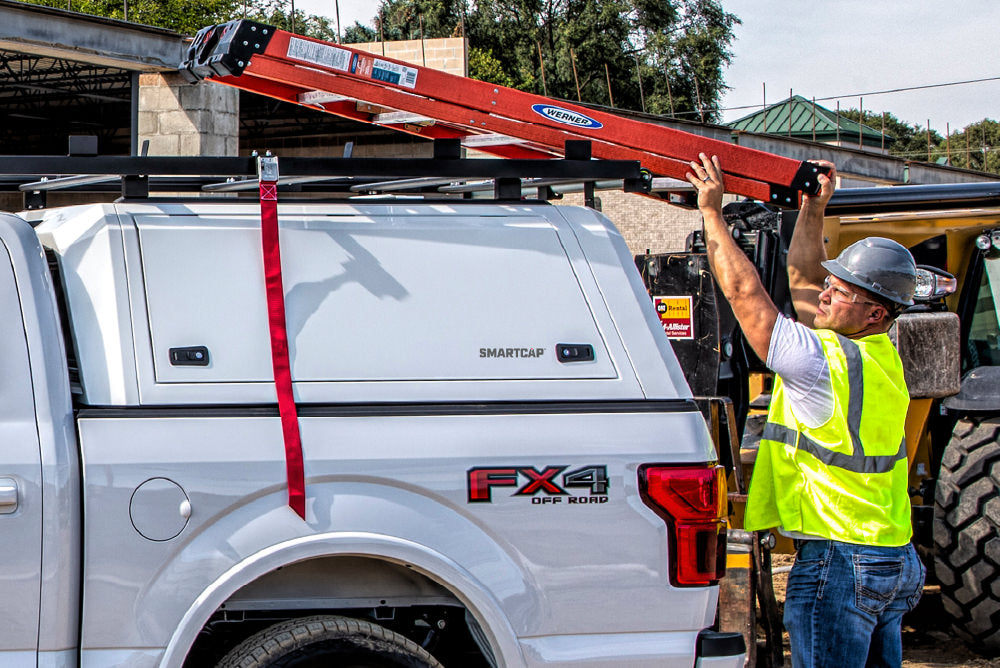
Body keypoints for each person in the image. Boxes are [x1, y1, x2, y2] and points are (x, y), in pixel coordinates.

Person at [685, 153, 925, 668]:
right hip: (892, 555)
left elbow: (744, 292)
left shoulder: (821, 361)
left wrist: (712, 214)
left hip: (843, 559)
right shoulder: (880, 352)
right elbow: (808, 283)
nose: (825, 294)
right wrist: (814, 209)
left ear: (873, 311)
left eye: (841, 291)